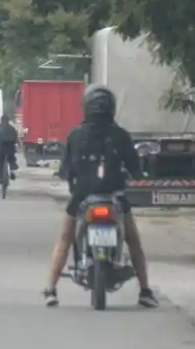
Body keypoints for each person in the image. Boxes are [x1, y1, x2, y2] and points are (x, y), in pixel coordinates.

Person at [43, 84, 157, 308]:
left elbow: (66, 171)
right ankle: (144, 290)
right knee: (133, 241)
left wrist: (72, 178)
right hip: (116, 197)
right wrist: (136, 174)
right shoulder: (121, 135)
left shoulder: (76, 135)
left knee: (65, 238)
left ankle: (50, 289)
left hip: (82, 198)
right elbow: (135, 169)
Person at [0, 114, 20, 188]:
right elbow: (16, 139)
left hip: (0, 149)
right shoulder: (12, 128)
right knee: (12, 159)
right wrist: (20, 145)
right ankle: (12, 169)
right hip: (10, 149)